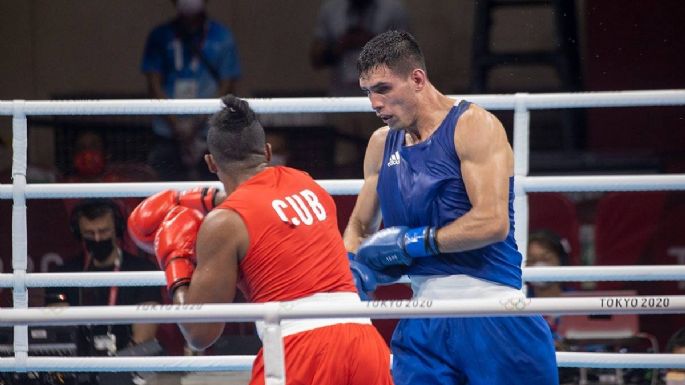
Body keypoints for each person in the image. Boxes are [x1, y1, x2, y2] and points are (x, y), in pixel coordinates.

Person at [127, 95, 393, 385]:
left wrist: (175, 262)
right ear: (267, 152)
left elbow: (200, 333)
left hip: (299, 349)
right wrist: (202, 199)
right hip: (364, 342)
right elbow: (262, 200)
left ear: (211, 163)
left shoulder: (224, 223)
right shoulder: (307, 184)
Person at [343, 30, 558, 385]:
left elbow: (492, 222)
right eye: (368, 92)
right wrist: (350, 269)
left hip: (491, 311)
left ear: (416, 79)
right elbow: (359, 228)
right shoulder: (381, 145)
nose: (374, 103)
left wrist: (413, 243)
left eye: (383, 88)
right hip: (423, 318)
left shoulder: (472, 125)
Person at [141, 0, 241, 181]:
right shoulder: (159, 36)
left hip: (210, 133)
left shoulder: (222, 36)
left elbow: (228, 85)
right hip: (167, 132)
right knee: (164, 189)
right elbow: (153, 84)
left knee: (214, 192)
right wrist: (176, 125)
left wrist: (196, 123)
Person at [46, 199, 161, 354]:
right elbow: (58, 333)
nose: (98, 239)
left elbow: (144, 335)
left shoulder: (143, 271)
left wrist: (117, 369)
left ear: (117, 229)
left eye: (103, 231)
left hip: (126, 363)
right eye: (89, 233)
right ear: (78, 233)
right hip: (77, 362)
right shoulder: (62, 275)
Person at [310, 0, 409, 96]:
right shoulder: (331, 9)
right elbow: (316, 59)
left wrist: (373, 42)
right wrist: (341, 45)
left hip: (384, 94)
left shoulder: (393, 9)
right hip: (341, 95)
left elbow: (407, 56)